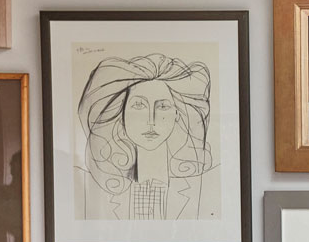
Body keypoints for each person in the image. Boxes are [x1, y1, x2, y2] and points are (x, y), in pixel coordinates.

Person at [76, 52, 216, 220]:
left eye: (163, 106)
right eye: (139, 105)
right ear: (121, 114)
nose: (151, 120)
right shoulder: (85, 187)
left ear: (178, 114)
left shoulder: (210, 185)